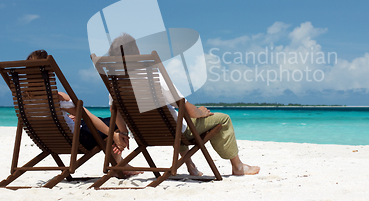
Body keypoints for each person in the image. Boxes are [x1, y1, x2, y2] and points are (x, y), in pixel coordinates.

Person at [107, 34, 260, 176]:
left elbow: (115, 111)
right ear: (137, 52)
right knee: (222, 119)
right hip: (173, 130)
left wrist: (124, 133)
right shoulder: (150, 73)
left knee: (176, 123)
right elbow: (183, 105)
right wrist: (200, 112)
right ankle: (238, 166)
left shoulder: (115, 82)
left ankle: (190, 166)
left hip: (144, 134)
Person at [26, 49, 140, 176]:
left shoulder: (24, 98)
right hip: (78, 140)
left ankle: (122, 164)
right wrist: (114, 136)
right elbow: (88, 117)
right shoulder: (58, 98)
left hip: (49, 140)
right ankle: (119, 166)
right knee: (118, 122)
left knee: (104, 120)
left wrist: (66, 118)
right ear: (49, 73)